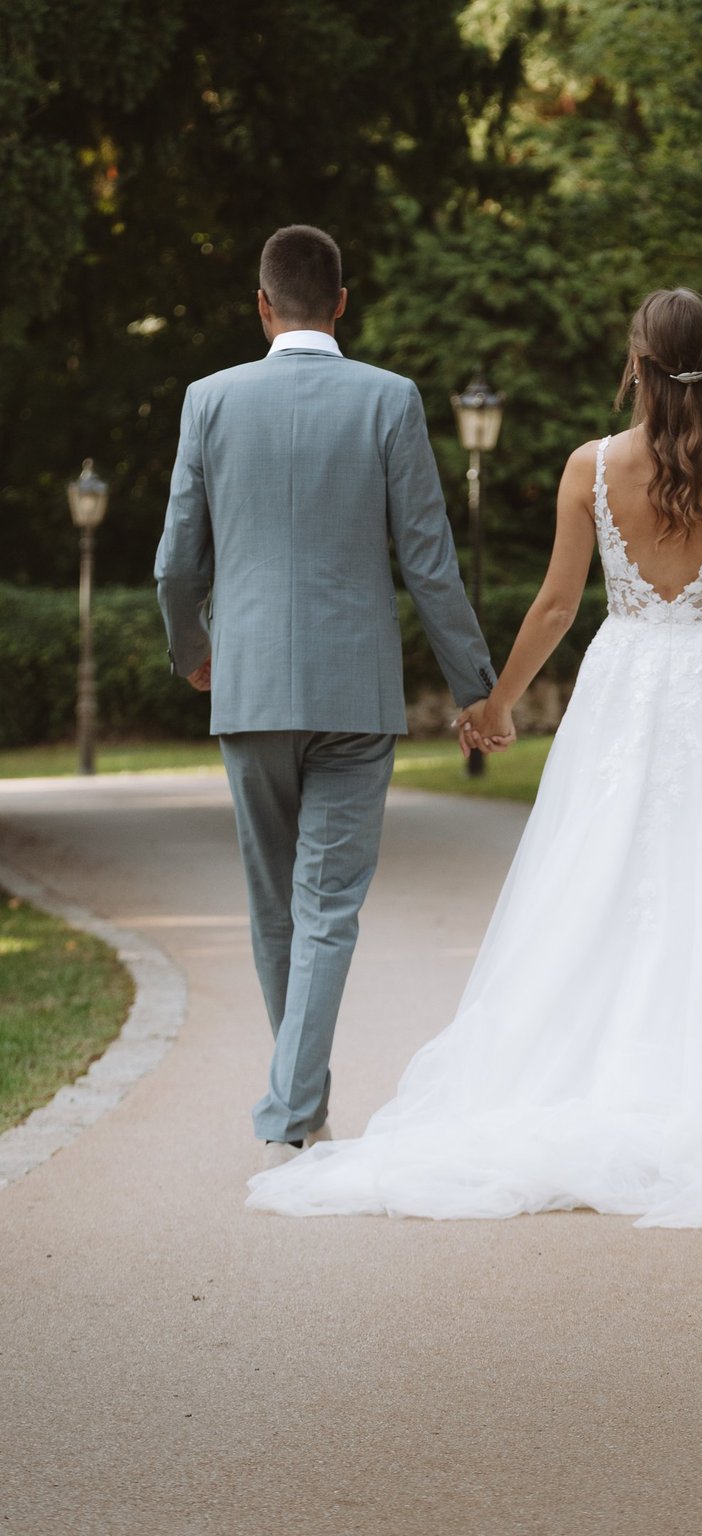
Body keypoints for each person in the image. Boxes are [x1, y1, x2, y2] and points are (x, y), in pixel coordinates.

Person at [246, 286, 702, 1228]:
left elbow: (553, 608)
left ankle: (590, 1077)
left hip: (623, 690)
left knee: (602, 875)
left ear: (635, 366)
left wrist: (494, 704)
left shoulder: (589, 466)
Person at [155, 224, 500, 1171]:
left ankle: (294, 1107)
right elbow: (430, 565)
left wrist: (195, 654)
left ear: (263, 305)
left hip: (251, 685)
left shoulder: (209, 401)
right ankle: (295, 1106)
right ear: (341, 302)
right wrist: (479, 688)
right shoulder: (390, 400)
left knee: (277, 907)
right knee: (328, 907)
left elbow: (174, 562)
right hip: (356, 693)